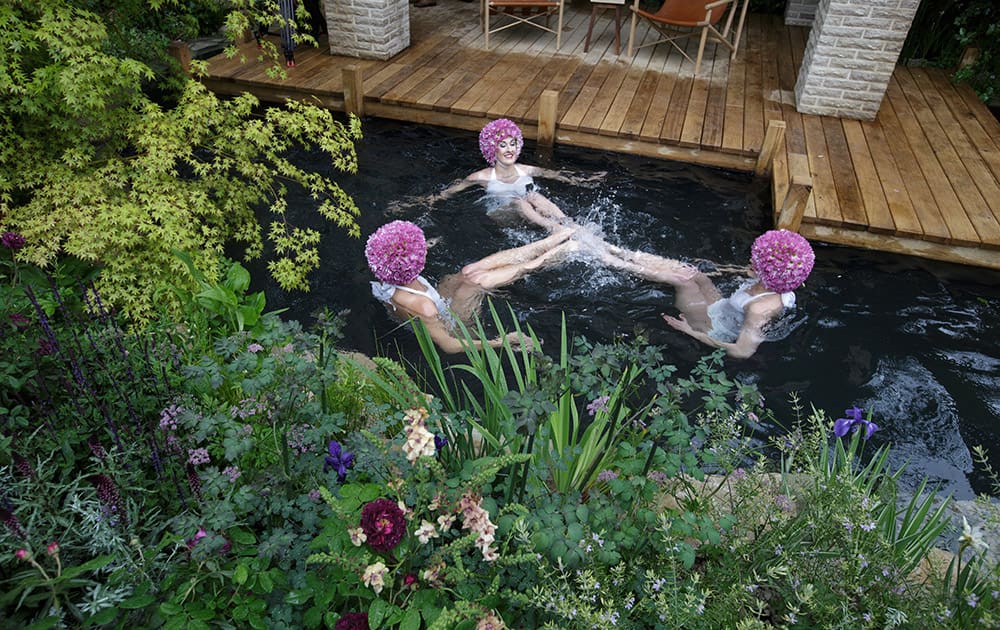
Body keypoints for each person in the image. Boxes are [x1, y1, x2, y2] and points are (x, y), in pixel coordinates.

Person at [366, 220, 579, 354]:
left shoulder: (388, 272)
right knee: (477, 282)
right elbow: (448, 345)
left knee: (469, 271)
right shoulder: (423, 307)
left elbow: (394, 257)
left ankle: (545, 243)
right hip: (451, 326)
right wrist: (501, 342)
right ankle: (553, 256)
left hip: (437, 301)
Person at [599, 229, 815, 359]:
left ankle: (609, 260)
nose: (750, 260)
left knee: (682, 281)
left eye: (756, 262)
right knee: (693, 273)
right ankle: (619, 251)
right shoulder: (774, 282)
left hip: (714, 327)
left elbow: (743, 351)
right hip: (722, 307)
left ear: (769, 272)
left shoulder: (760, 309)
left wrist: (690, 332)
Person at [396, 119, 605, 231]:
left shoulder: (527, 169)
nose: (509, 149)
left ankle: (568, 224)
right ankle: (554, 228)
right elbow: (446, 194)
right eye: (502, 145)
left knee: (533, 196)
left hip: (531, 211)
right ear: (491, 149)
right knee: (519, 200)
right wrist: (412, 204)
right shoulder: (481, 177)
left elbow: (559, 175)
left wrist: (586, 180)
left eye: (513, 144)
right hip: (502, 216)